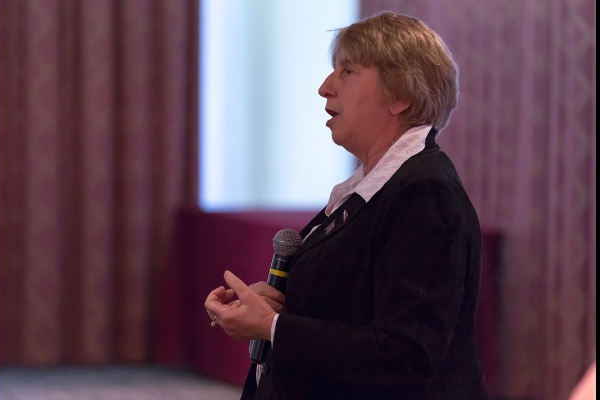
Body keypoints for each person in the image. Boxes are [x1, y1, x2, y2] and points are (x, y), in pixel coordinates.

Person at [204, 11, 488, 400]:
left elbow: (407, 353)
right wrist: (277, 310)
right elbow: (353, 311)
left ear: (401, 95)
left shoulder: (424, 194)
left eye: (348, 71)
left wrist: (273, 327)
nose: (325, 88)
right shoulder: (377, 186)